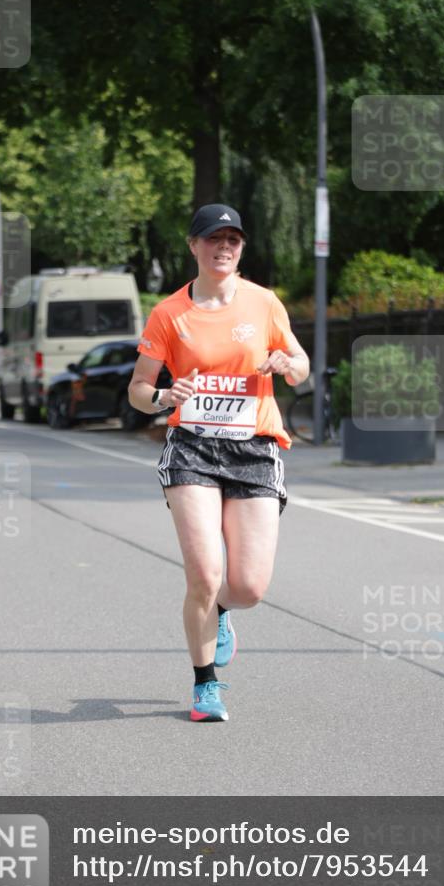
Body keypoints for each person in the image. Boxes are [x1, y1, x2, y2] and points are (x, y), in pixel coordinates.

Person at [128, 204, 310, 722]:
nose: (223, 247)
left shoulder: (264, 303)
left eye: (233, 239)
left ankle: (224, 612)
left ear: (241, 248)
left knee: (249, 586)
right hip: (192, 448)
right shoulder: (168, 314)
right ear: (194, 246)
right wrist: (165, 396)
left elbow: (300, 365)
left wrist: (286, 363)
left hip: (254, 449)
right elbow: (139, 390)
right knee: (205, 574)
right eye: (213, 239)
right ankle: (205, 686)